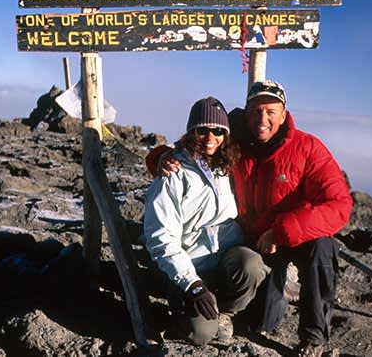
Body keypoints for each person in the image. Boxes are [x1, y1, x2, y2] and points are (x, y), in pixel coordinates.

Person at [147, 81, 353, 357]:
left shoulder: (308, 148)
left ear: (283, 113)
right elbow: (196, 139)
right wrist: (160, 157)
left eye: (270, 111)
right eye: (255, 110)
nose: (262, 119)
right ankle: (215, 306)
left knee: (323, 248)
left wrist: (282, 233)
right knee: (261, 323)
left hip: (293, 235)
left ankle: (314, 337)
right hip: (253, 240)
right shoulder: (234, 137)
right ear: (245, 112)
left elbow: (339, 204)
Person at [144, 96, 270, 346]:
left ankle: (225, 312)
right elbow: (161, 239)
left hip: (225, 257)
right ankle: (187, 306)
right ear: (192, 132)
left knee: (252, 265)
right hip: (190, 265)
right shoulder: (172, 174)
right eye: (202, 130)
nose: (211, 137)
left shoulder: (228, 164)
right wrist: (194, 285)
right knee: (199, 335)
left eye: (218, 131)